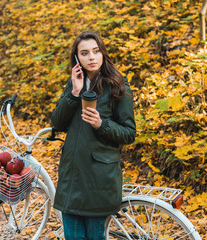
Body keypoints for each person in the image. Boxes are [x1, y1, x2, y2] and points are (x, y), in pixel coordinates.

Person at [51, 30, 136, 239]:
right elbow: (57, 123)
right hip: (72, 177)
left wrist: (101, 124)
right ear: (77, 58)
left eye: (96, 51)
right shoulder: (74, 84)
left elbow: (129, 133)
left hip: (99, 180)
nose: (91, 57)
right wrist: (74, 93)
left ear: (102, 53)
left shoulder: (117, 86)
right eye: (85, 53)